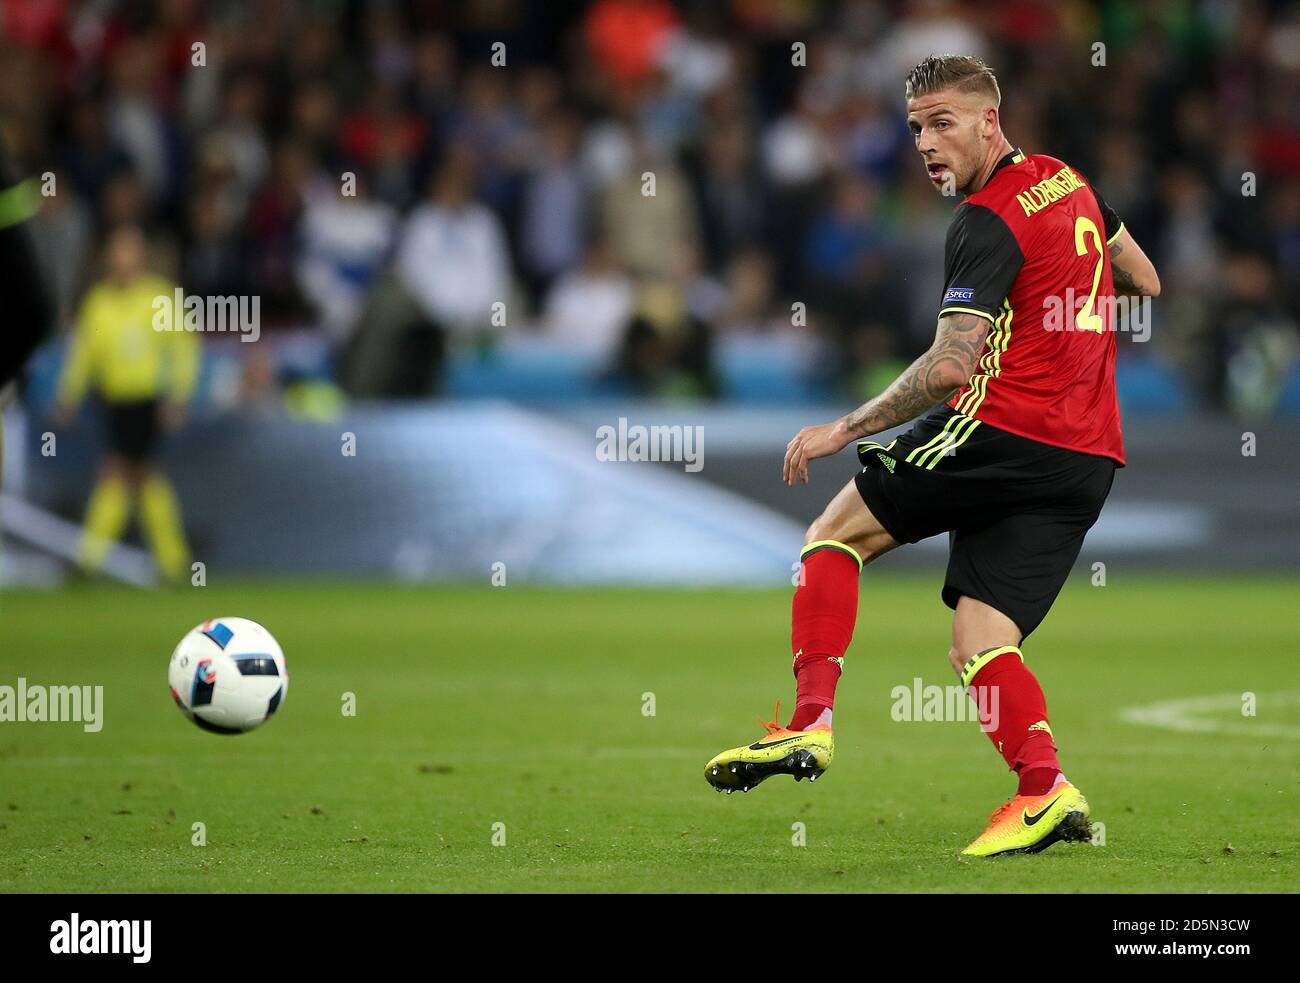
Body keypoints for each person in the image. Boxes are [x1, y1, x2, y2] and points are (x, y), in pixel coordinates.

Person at [704, 55, 1161, 858]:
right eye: (916, 126)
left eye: (942, 122)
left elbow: (953, 365)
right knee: (980, 641)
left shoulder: (986, 219)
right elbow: (1144, 279)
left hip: (1002, 430)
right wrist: (1069, 313)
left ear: (991, 119)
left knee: (834, 534)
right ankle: (1044, 788)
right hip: (1086, 457)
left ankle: (808, 725)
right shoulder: (1069, 180)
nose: (925, 142)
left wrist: (843, 428)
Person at [55, 225, 198, 582]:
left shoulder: (159, 297)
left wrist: (179, 394)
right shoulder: (99, 301)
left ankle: (89, 558)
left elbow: (183, 348)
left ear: (142, 256)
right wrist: (69, 394)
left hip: (148, 399)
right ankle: (174, 562)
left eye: (129, 251)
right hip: (113, 401)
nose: (122, 259)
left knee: (119, 472)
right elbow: (83, 354)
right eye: (117, 251)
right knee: (141, 477)